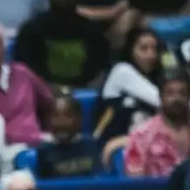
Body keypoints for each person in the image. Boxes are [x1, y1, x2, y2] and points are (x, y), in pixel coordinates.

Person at [13, 0, 110, 88]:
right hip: (42, 94)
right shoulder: (31, 30)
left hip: (82, 94)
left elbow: (100, 71)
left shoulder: (93, 33)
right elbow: (22, 70)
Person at [0, 21, 53, 148]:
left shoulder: (22, 72)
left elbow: (49, 102)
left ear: (5, 48)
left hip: (37, 142)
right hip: (0, 148)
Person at [94, 26, 163, 161]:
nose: (151, 55)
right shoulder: (122, 71)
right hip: (111, 147)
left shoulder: (157, 78)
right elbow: (163, 102)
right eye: (143, 49)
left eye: (154, 49)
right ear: (130, 50)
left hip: (145, 145)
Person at [124, 69, 190, 177]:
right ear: (160, 97)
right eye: (170, 93)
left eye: (182, 93)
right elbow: (135, 185)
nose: (177, 99)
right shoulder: (142, 136)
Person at [37, 91, 102, 179]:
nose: (61, 123)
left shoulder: (95, 146)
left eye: (68, 116)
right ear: (47, 121)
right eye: (55, 116)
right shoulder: (41, 152)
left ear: (79, 120)